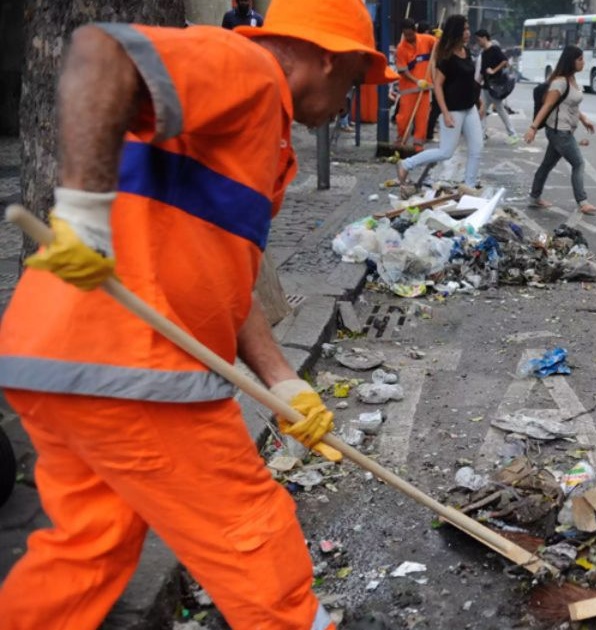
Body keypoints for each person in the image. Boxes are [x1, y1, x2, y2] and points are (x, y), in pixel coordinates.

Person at [0, 0, 398, 627]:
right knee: (250, 531)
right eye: (353, 79)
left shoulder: (260, 134)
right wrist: (80, 216)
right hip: (134, 362)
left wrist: (282, 381)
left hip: (54, 354)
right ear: (326, 58)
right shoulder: (250, 66)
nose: (351, 98)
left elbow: (222, 288)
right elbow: (101, 50)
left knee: (88, 548)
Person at [396, 15, 482, 191]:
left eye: (468, 28)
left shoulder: (466, 52)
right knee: (445, 152)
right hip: (453, 110)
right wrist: (446, 114)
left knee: (477, 148)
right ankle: (406, 164)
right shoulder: (447, 57)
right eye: (464, 29)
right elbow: (438, 86)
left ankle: (469, 185)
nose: (468, 33)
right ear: (456, 31)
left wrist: (478, 99)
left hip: (469, 108)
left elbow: (468, 80)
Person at [523, 46, 596, 215]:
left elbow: (570, 105)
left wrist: (584, 119)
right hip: (559, 132)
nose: (583, 62)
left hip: (563, 131)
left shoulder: (571, 79)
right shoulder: (560, 82)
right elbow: (548, 105)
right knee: (578, 163)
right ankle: (582, 201)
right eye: (580, 59)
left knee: (547, 165)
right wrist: (533, 128)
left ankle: (534, 197)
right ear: (571, 61)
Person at [394, 18, 437, 150]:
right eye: (406, 35)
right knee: (404, 118)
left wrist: (439, 37)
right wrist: (417, 80)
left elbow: (438, 46)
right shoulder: (401, 48)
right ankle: (401, 140)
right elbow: (403, 70)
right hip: (408, 89)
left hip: (424, 89)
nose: (409, 37)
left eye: (411, 35)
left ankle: (418, 145)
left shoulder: (426, 40)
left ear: (415, 31)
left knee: (422, 118)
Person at [474, 29, 518, 143]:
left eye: (479, 40)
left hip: (495, 86)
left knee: (500, 110)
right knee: (483, 110)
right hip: (486, 86)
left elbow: (504, 61)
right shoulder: (483, 53)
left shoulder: (494, 49)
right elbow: (483, 72)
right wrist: (476, 85)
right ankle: (482, 134)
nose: (478, 42)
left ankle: (513, 133)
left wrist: (494, 70)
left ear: (484, 38)